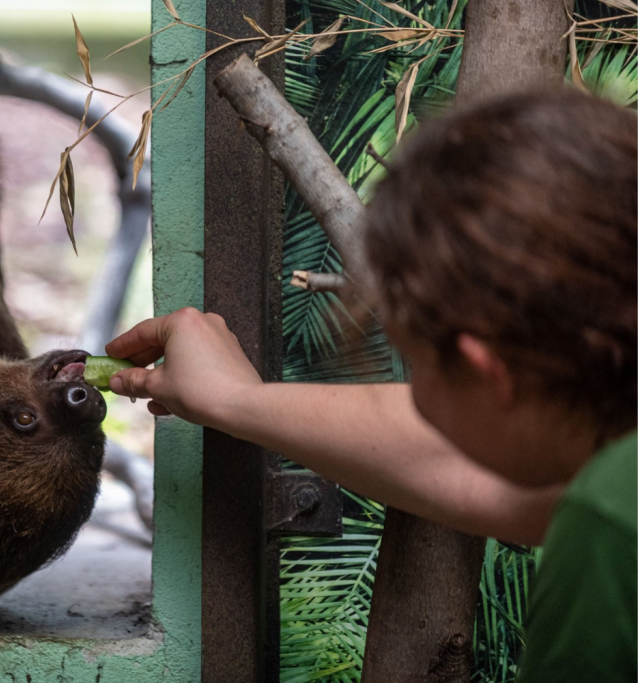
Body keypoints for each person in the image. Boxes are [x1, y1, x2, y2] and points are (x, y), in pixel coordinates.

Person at [105, 89, 637, 681]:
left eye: (411, 364)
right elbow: (479, 469)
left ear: (491, 375)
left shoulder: (610, 530)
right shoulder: (609, 471)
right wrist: (235, 401)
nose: (418, 398)